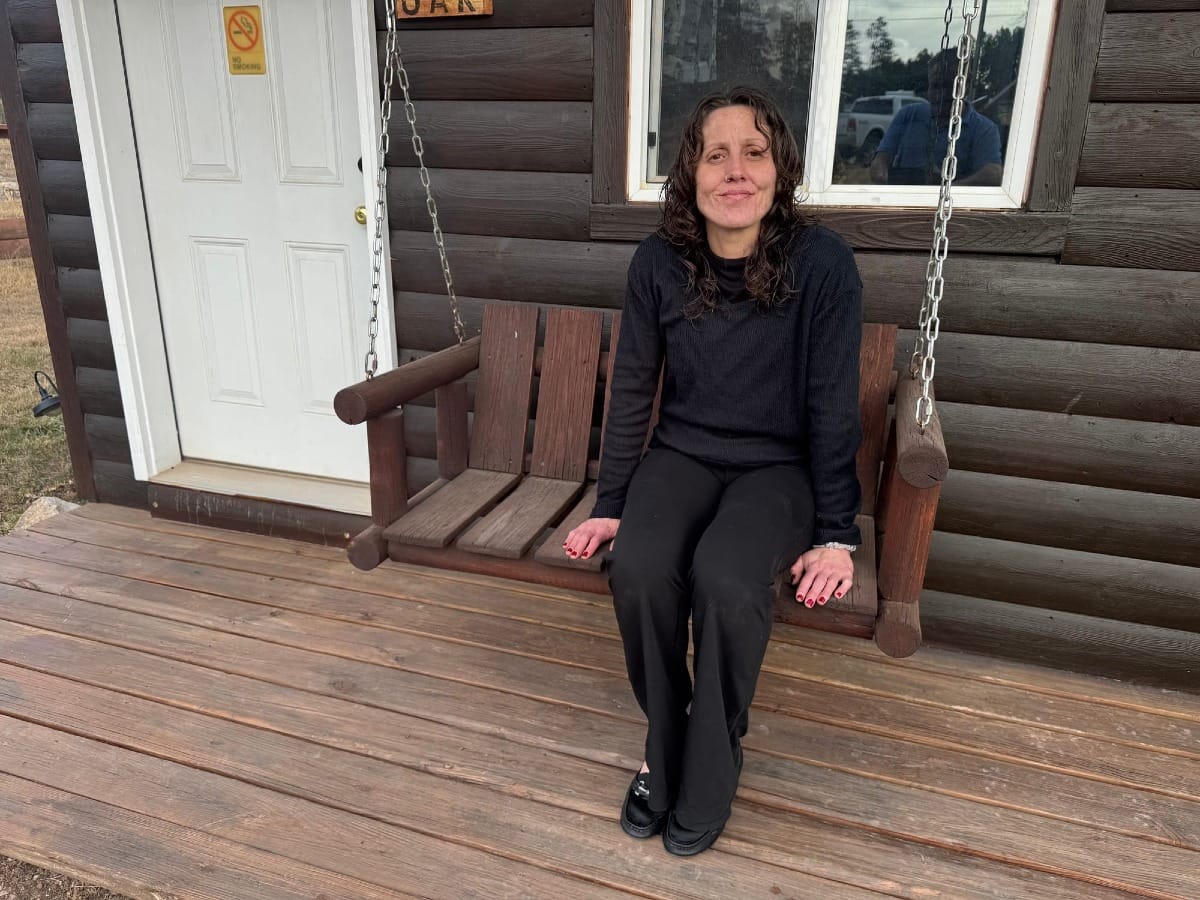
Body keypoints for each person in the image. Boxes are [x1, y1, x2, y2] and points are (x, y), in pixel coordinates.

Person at [562, 87, 863, 856]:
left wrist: (837, 534)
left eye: (753, 152)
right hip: (685, 456)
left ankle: (710, 757)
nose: (735, 170)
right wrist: (613, 503)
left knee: (728, 580)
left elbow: (833, 401)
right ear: (689, 173)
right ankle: (665, 742)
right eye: (714, 153)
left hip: (779, 472)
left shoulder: (821, 264)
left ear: (779, 170)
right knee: (639, 567)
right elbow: (633, 386)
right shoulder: (660, 262)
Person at [870, 49, 1003, 186]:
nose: (939, 95)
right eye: (934, 86)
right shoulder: (907, 115)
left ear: (965, 85)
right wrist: (882, 175)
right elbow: (881, 159)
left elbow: (993, 174)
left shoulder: (984, 129)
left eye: (946, 87)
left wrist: (945, 189)